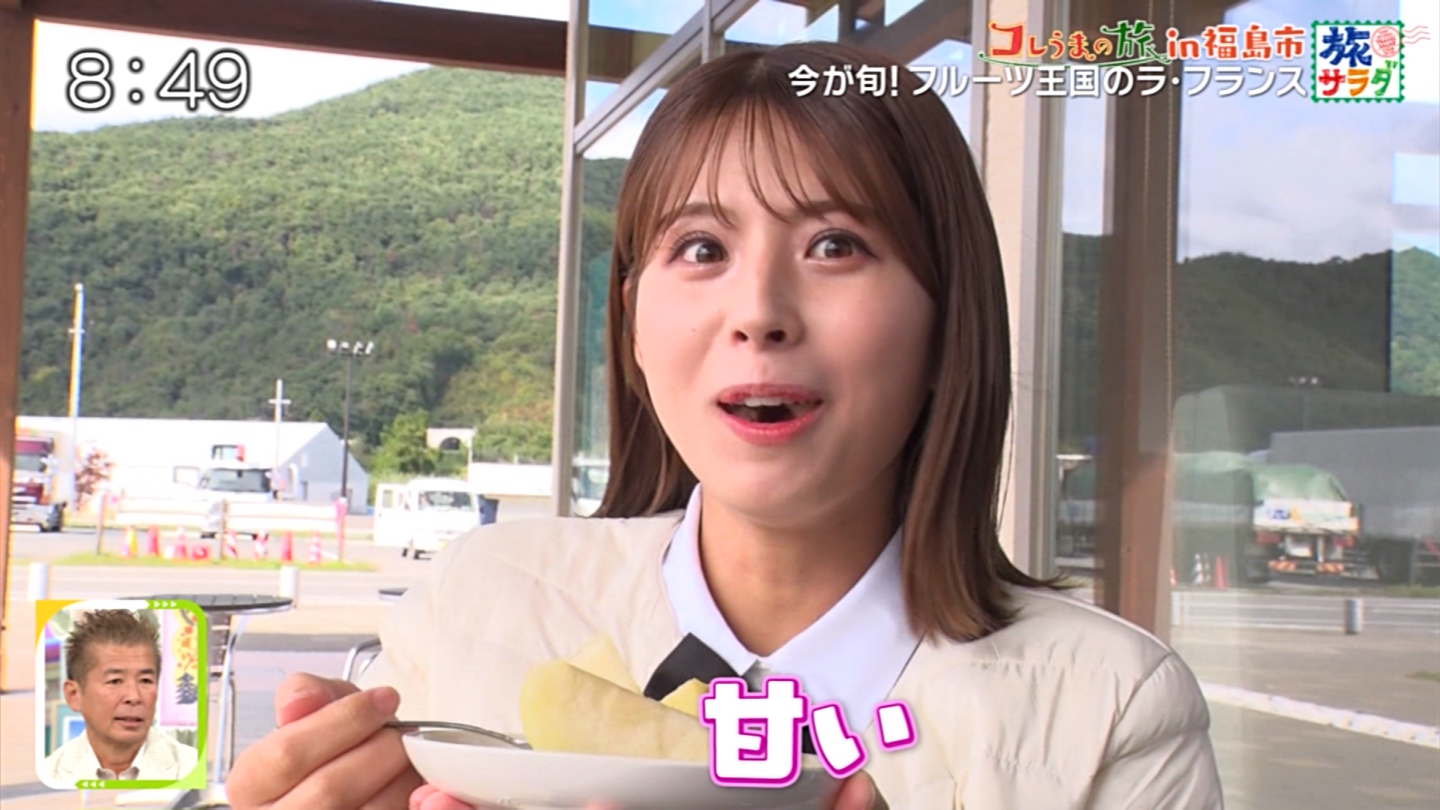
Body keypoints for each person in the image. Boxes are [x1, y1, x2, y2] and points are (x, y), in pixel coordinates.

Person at [227, 40, 1222, 810]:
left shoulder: (1109, 708)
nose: (758, 311)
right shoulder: (477, 607)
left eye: (835, 244)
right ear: (632, 324)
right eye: (701, 248)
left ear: (946, 319)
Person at [41, 608, 200, 785]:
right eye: (115, 681)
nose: (134, 696)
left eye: (145, 681)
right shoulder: (51, 773)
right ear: (74, 695)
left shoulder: (190, 767)